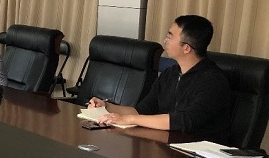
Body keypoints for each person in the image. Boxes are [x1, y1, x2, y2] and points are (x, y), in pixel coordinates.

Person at [93, 15, 231, 141]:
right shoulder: (170, 74)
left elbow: (184, 121)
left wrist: (129, 119)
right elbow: (142, 110)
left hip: (196, 150)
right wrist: (107, 106)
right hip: (166, 143)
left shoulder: (213, 81)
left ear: (186, 48)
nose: (165, 41)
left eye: (170, 37)